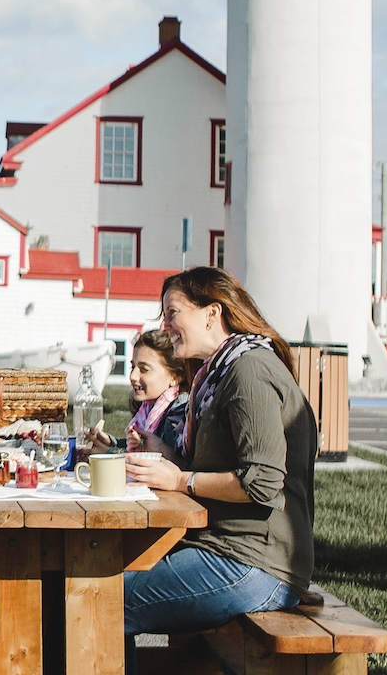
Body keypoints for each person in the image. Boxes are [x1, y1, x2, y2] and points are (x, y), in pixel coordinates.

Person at [122, 267, 315, 642]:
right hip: (226, 549)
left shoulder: (250, 370)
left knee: (100, 599)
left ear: (212, 313)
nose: (164, 326)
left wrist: (180, 480)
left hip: (255, 563)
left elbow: (262, 483)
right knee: (95, 581)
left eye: (172, 312)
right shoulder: (216, 375)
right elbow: (220, 467)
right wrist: (167, 454)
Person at [91, 329, 189, 454]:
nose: (133, 376)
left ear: (174, 377)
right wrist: (111, 443)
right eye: (133, 367)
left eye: (144, 369)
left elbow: (169, 462)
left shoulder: (178, 411)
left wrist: (110, 453)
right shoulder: (148, 408)